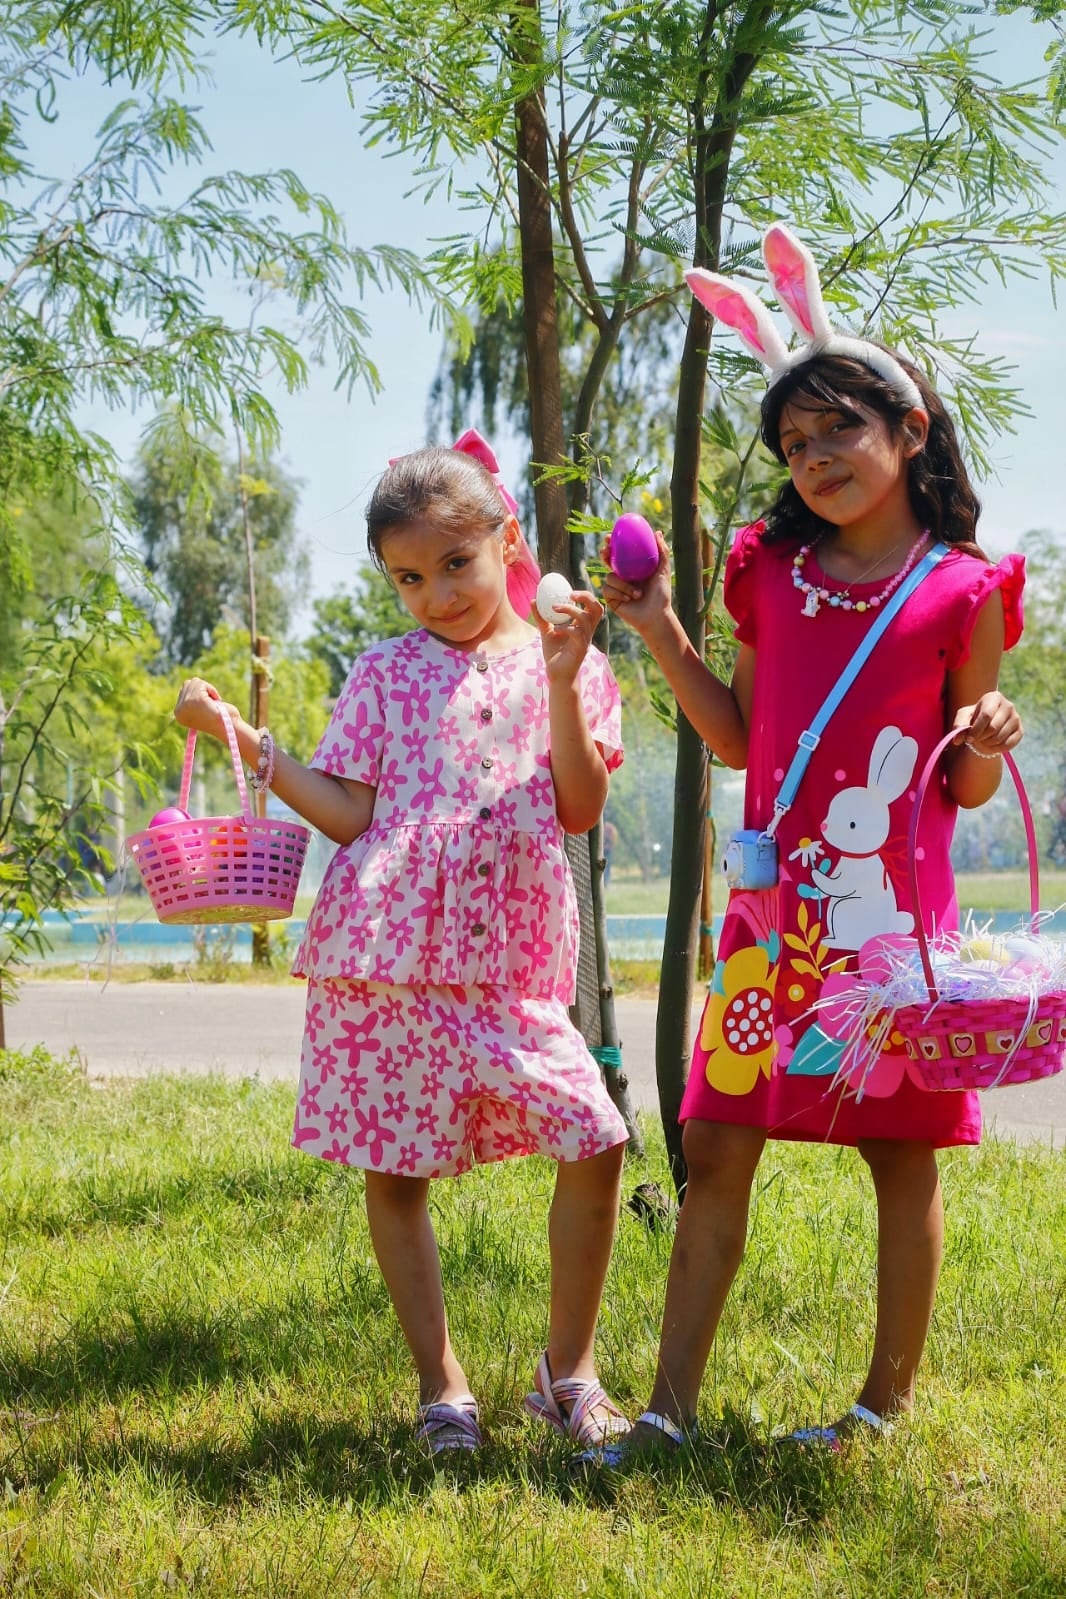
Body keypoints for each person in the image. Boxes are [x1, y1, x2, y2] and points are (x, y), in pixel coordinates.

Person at [592, 225, 1024, 1459]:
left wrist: (986, 731)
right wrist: (660, 624)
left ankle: (879, 1413)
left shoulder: (964, 590)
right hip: (766, 921)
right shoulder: (769, 573)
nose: (817, 457)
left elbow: (973, 785)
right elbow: (735, 738)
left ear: (910, 428)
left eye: (842, 428)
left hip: (897, 936)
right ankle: (666, 1413)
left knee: (901, 1163)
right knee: (718, 1141)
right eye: (794, 442)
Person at [174, 433, 632, 1457]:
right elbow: (347, 812)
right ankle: (443, 1392)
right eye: (408, 578)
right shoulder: (383, 672)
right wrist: (246, 743)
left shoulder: (575, 664)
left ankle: (570, 1372)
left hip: (508, 961)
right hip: (380, 960)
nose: (435, 596)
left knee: (594, 1141)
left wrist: (560, 680)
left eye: (455, 565)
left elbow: (575, 806)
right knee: (395, 1174)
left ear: (506, 541)